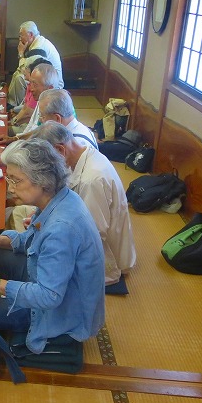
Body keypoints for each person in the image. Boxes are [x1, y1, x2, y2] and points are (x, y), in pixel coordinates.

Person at [0, 139, 105, 354]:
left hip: (57, 312)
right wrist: (3, 240)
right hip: (45, 277)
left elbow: (48, 296)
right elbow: (34, 240)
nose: (10, 188)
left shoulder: (62, 227)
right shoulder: (58, 198)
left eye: (16, 181)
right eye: (9, 179)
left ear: (42, 180)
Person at [34, 121, 136, 290]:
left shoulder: (92, 179)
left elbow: (92, 234)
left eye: (48, 161)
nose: (48, 166)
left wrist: (46, 225)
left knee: (41, 266)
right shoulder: (83, 154)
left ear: (60, 149)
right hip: (92, 232)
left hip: (106, 257)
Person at [8, 21, 63, 107]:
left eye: (21, 35)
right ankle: (12, 104)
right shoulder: (38, 42)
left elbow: (24, 70)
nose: (20, 38)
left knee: (20, 78)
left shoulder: (39, 47)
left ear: (30, 34)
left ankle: (15, 107)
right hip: (45, 79)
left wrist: (21, 53)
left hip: (52, 84)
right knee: (17, 74)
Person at [8, 58, 51, 135]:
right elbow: (31, 123)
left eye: (34, 84)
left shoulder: (46, 100)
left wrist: (13, 122)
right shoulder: (39, 95)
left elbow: (28, 114)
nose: (31, 88)